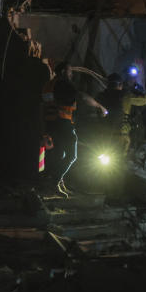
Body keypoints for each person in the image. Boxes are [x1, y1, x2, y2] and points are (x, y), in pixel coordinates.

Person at [41, 61, 107, 198]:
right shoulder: (63, 84)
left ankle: (58, 185)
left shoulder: (49, 84)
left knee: (60, 155)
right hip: (63, 123)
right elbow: (82, 96)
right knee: (72, 155)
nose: (72, 74)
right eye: (70, 71)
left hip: (51, 124)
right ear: (64, 72)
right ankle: (53, 183)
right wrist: (100, 107)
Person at [98, 73, 146, 156]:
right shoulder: (126, 96)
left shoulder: (100, 96)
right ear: (120, 85)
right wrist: (133, 89)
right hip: (121, 134)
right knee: (120, 160)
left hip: (103, 134)